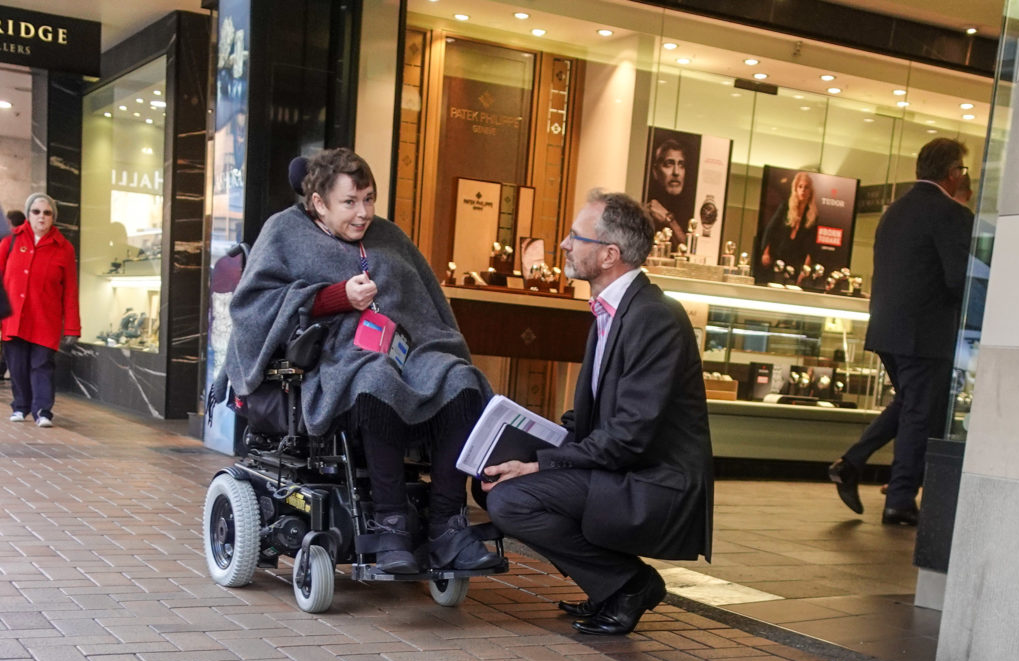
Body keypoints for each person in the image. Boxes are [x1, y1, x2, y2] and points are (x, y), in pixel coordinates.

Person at [222, 148, 501, 574]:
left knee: (460, 379)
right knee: (375, 378)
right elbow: (253, 307)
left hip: (410, 349)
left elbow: (427, 305)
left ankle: (448, 525)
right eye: (350, 202)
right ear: (319, 203)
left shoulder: (389, 236)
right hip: (332, 357)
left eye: (369, 199)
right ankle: (389, 524)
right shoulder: (284, 231)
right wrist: (335, 297)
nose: (363, 212)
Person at [483, 189, 714, 635]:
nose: (565, 245)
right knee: (490, 478)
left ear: (609, 254)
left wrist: (538, 463)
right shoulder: (614, 309)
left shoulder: (654, 317)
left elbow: (629, 436)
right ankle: (611, 584)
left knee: (511, 499)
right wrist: (525, 439)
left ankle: (629, 584)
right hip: (622, 466)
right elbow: (594, 419)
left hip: (652, 481)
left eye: (575, 237)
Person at [828, 138, 972, 525]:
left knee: (910, 403)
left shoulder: (895, 211)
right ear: (953, 172)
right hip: (925, 334)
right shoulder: (951, 213)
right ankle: (901, 498)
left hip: (888, 330)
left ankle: (852, 464)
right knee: (919, 413)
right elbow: (960, 279)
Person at [0, 193, 81, 428]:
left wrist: (73, 327)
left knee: (41, 365)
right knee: (17, 366)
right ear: (28, 215)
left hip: (46, 320)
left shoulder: (63, 248)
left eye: (47, 212)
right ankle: (21, 406)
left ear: (53, 217)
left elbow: (71, 291)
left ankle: (43, 410)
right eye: (36, 212)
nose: (41, 217)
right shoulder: (10, 241)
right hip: (15, 318)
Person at [758, 171, 818, 283]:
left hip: (796, 261)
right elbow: (770, 229)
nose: (803, 191)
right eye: (800, 187)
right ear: (795, 188)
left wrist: (805, 271)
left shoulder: (812, 216)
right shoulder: (785, 207)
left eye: (806, 187)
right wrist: (766, 253)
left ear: (810, 192)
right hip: (778, 256)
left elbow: (812, 247)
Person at [645, 138, 695, 251]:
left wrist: (668, 219)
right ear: (655, 171)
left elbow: (688, 252)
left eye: (681, 165)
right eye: (669, 164)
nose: (676, 172)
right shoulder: (645, 206)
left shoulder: (690, 209)